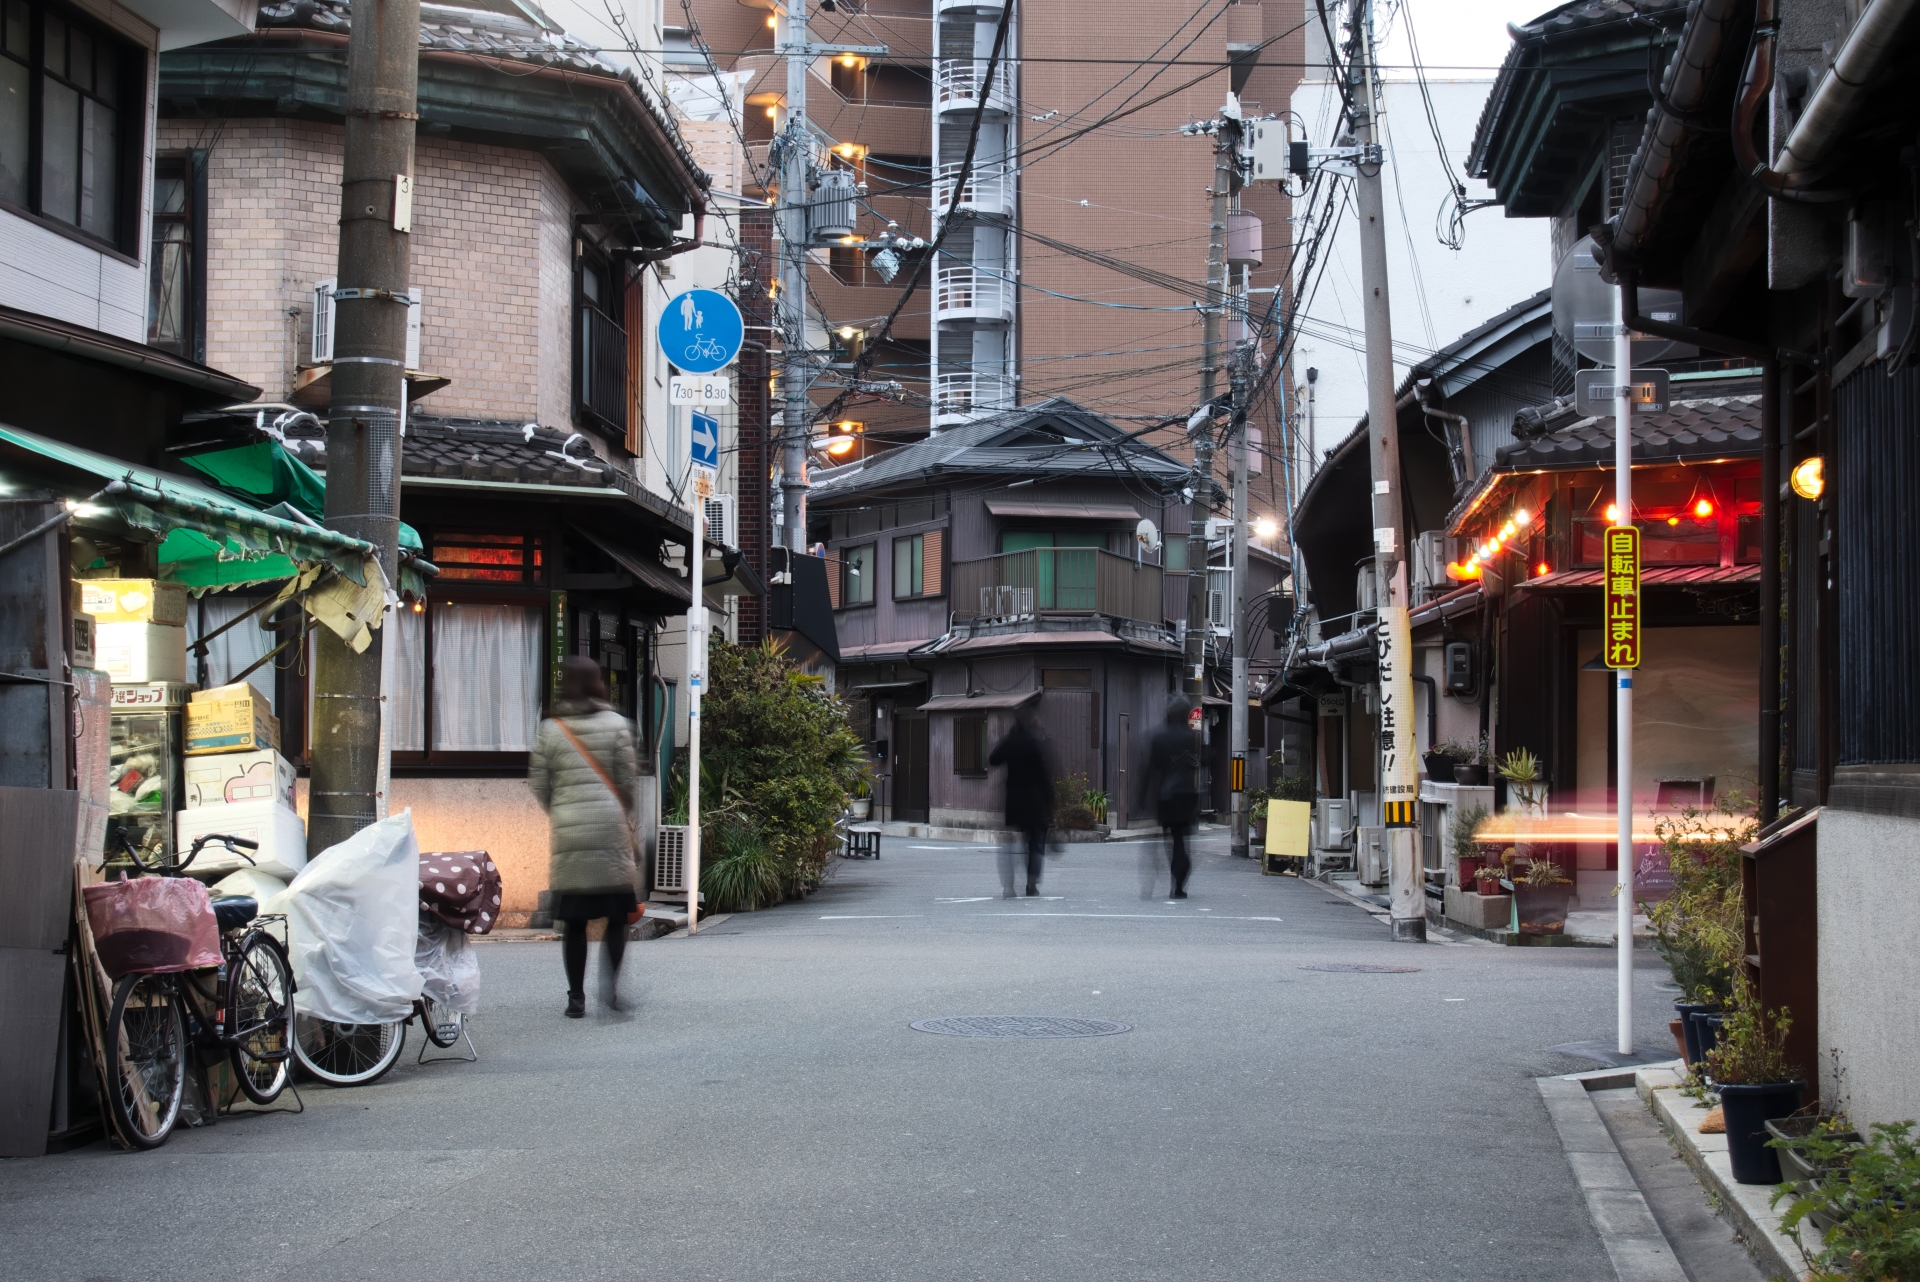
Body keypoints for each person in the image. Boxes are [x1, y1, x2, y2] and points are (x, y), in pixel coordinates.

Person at [529, 656, 639, 1018]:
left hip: (570, 830)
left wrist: (562, 809)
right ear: (599, 683)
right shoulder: (618, 725)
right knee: (617, 917)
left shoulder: (550, 729)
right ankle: (612, 989)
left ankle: (576, 998)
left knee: (574, 921)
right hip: (609, 831)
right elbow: (626, 781)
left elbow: (540, 785)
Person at [987, 712, 1054, 898]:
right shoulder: (1034, 744)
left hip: (1014, 800)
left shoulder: (1010, 741)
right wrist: (1050, 804)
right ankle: (1031, 883)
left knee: (1008, 845)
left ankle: (1008, 886)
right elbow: (1043, 776)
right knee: (1034, 843)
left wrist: (1007, 740)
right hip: (1033, 801)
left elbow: (993, 759)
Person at [1145, 698, 1201, 899]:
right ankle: (1178, 885)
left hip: (1166, 797)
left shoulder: (1159, 738)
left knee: (1169, 842)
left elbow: (1150, 770)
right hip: (1186, 797)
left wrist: (1142, 799)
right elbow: (1195, 765)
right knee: (1180, 842)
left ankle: (1174, 878)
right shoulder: (1190, 739)